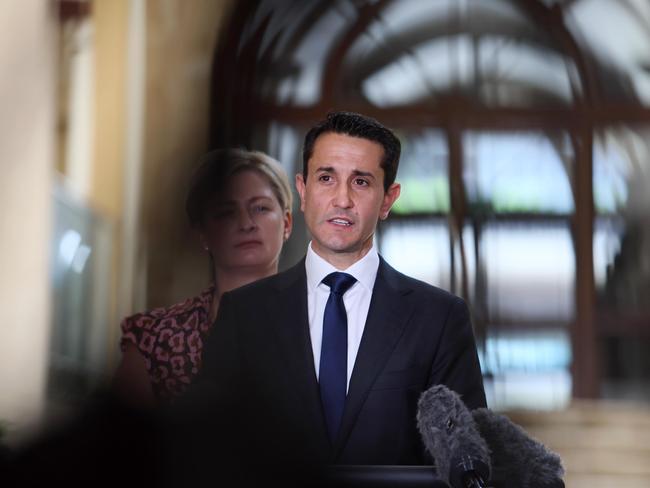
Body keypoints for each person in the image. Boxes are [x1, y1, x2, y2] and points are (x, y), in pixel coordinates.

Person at [193, 111, 486, 478]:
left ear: (387, 200)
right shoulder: (244, 314)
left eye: (361, 182)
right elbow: (204, 451)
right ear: (302, 191)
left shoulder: (440, 318)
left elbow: (468, 463)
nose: (342, 199)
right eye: (327, 178)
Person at [112, 148, 293, 406]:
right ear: (202, 232)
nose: (246, 223)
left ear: (287, 223)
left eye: (261, 208)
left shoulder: (322, 325)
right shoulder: (153, 341)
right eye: (226, 212)